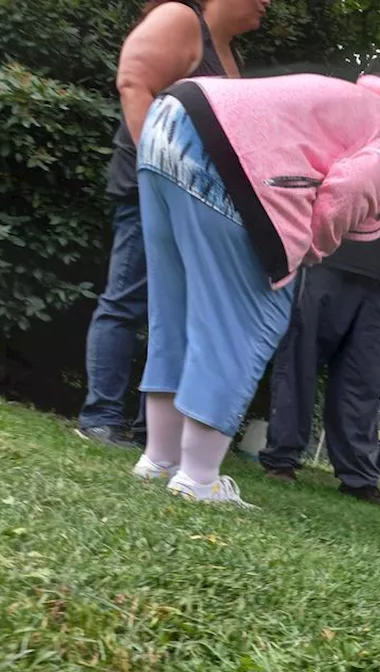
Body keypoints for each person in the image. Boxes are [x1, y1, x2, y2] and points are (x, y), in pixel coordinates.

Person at [129, 63, 380, 506]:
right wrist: (306, 248)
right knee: (249, 319)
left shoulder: (365, 112)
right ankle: (198, 478)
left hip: (168, 120)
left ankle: (158, 460)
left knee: (175, 314)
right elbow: (345, 193)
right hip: (223, 154)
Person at [75, 0, 262, 449]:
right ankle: (100, 418)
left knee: (177, 318)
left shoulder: (232, 57)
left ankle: (152, 435)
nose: (267, 3)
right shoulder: (181, 18)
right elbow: (135, 82)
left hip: (195, 205)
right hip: (152, 193)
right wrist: (156, 174)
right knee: (126, 300)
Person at [258, 212, 380, 510]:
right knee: (299, 365)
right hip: (325, 260)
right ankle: (281, 461)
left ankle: (359, 480)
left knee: (364, 381)